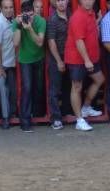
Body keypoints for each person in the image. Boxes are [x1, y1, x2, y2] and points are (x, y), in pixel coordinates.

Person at [64, 0, 104, 131]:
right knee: (76, 87)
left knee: (99, 80)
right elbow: (79, 41)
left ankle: (86, 107)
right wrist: (87, 60)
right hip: (77, 59)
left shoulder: (91, 13)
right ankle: (79, 120)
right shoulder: (77, 17)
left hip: (91, 58)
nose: (88, 1)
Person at [13, 0, 46, 133]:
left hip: (38, 58)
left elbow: (39, 42)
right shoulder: (17, 22)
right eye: (27, 15)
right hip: (25, 60)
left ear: (34, 12)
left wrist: (30, 28)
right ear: (22, 14)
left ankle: (38, 114)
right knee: (26, 88)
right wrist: (19, 26)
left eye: (31, 15)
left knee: (38, 87)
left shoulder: (41, 21)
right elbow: (15, 43)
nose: (29, 18)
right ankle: (25, 121)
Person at [0, 0, 16, 129]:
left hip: (12, 62)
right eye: (6, 8)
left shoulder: (12, 20)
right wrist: (0, 68)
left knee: (11, 91)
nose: (9, 10)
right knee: (2, 90)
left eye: (11, 7)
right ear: (0, 8)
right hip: (2, 63)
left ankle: (10, 115)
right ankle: (5, 119)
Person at [46, 0, 70, 130]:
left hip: (70, 57)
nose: (61, 3)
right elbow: (51, 42)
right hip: (57, 58)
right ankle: (56, 118)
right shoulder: (52, 20)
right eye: (58, 0)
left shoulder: (71, 15)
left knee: (68, 86)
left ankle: (66, 113)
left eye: (63, 0)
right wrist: (59, 61)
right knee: (54, 90)